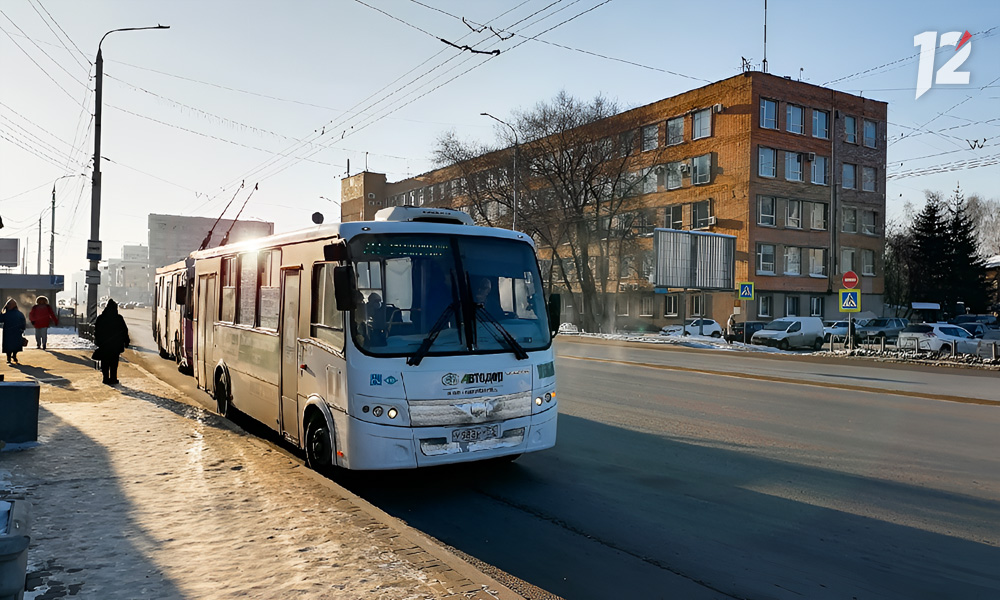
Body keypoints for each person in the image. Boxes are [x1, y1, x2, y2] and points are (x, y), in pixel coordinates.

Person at [94, 299, 130, 385]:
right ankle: (113, 378)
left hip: (104, 345)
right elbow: (124, 331)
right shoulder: (119, 318)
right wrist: (126, 341)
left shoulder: (101, 318)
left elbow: (96, 331)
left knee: (105, 363)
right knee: (114, 363)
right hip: (115, 346)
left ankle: (105, 378)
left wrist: (98, 341)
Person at [1, 298, 27, 364]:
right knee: (16, 345)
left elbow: (0, 319)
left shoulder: (6, 314)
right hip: (17, 331)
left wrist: (2, 312)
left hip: (8, 332)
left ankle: (8, 358)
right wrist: (22, 329)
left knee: (8, 345)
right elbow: (23, 322)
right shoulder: (19, 313)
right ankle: (14, 356)